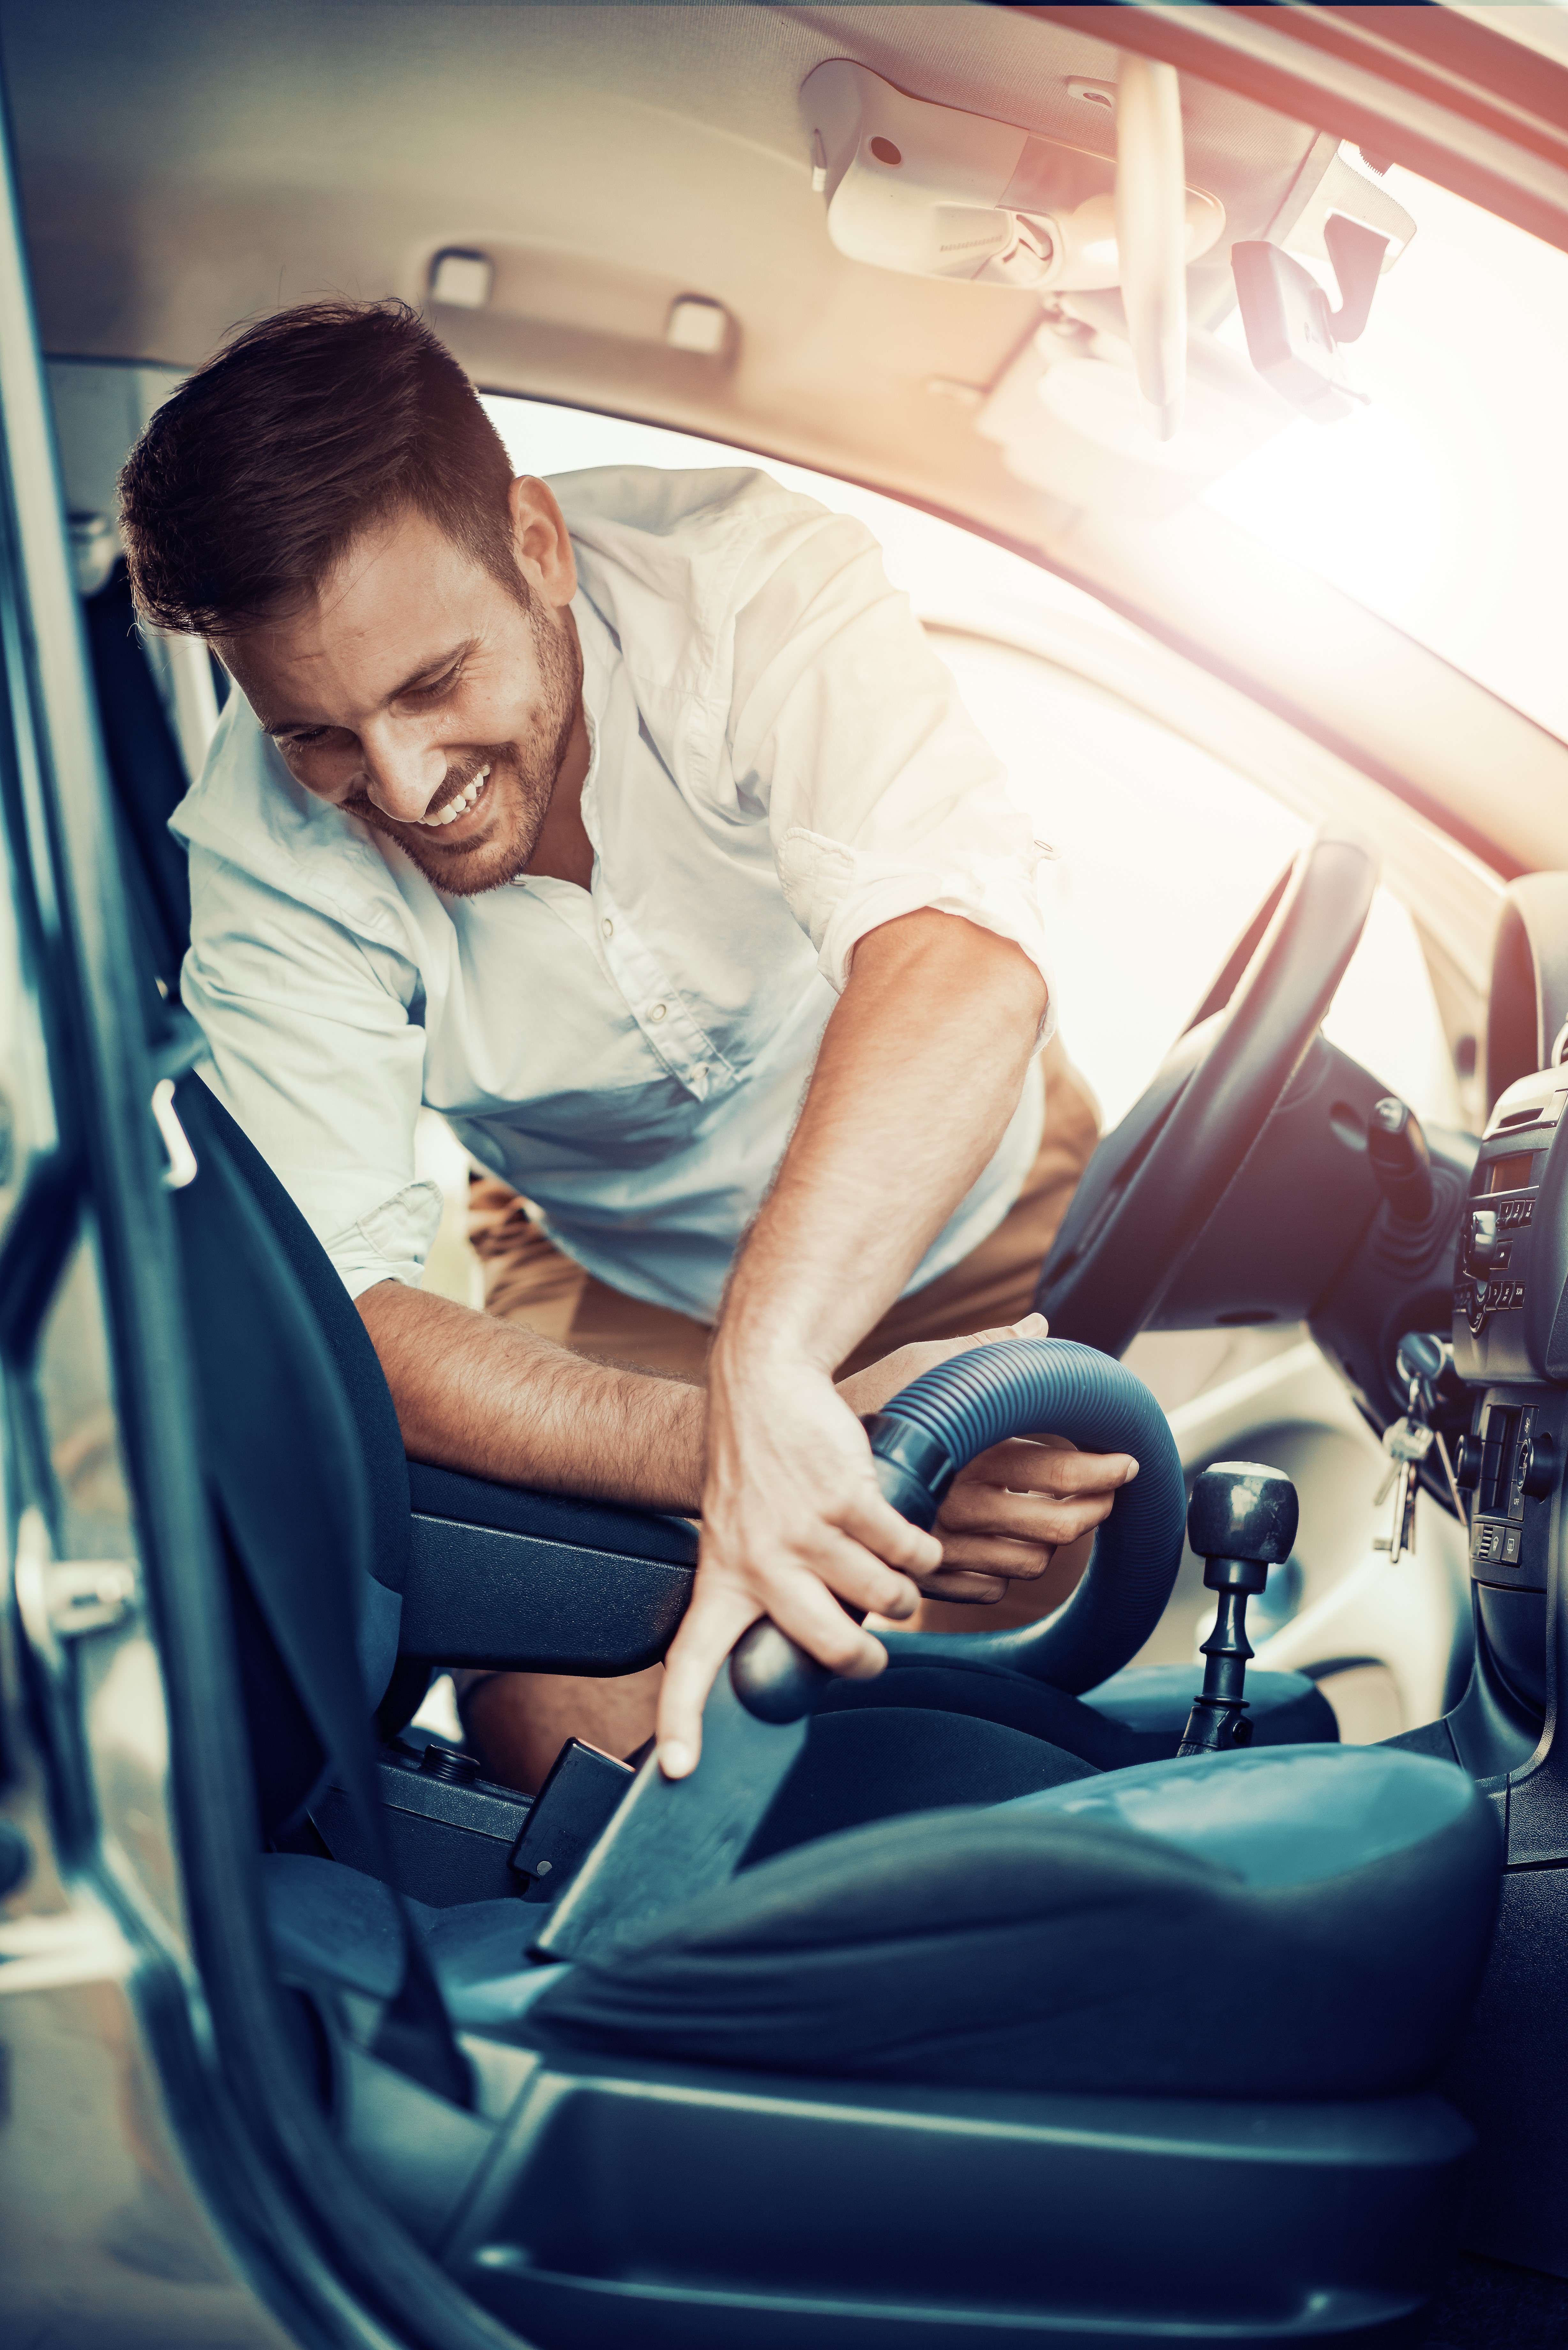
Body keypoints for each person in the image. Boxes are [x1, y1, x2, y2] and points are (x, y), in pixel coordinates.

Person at [118, 299, 1134, 1791]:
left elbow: (956, 965)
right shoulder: (264, 849)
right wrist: (746, 1433)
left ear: (535, 543)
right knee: (561, 1723)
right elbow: (339, 1299)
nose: (396, 784)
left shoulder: (752, 582)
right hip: (606, 1255)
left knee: (1051, 1565)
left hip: (960, 1184)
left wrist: (779, 1369)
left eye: (429, 685)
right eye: (318, 735)